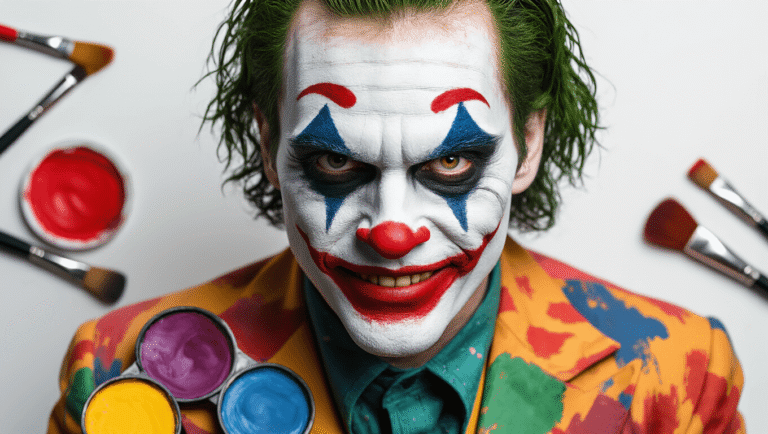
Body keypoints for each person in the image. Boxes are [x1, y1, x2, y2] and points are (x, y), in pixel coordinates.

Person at [48, 0, 745, 433]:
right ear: (268, 143)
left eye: (449, 165)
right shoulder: (113, 375)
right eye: (335, 165)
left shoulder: (676, 377)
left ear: (527, 145)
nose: (392, 231)